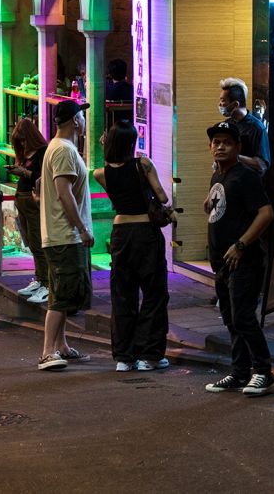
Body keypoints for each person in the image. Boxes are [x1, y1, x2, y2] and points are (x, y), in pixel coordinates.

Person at [202, 121, 274, 395]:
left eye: (227, 142)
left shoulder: (245, 175)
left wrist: (241, 244)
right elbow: (220, 209)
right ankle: (239, 372)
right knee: (231, 318)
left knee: (243, 316)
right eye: (216, 142)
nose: (220, 146)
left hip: (245, 260)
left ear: (238, 147)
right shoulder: (218, 176)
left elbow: (265, 213)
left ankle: (264, 372)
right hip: (221, 262)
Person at [94, 120, 171, 372]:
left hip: (120, 234)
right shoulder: (143, 164)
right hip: (145, 232)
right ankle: (150, 354)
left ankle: (124, 358)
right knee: (153, 293)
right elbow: (162, 196)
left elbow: (117, 187)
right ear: (132, 142)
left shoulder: (101, 173)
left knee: (123, 295)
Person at [36, 100, 94, 371]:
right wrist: (81, 228)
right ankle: (48, 351)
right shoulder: (63, 150)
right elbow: (64, 192)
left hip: (62, 234)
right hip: (65, 235)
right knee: (61, 294)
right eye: (81, 115)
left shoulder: (59, 148)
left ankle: (62, 346)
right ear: (74, 121)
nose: (84, 119)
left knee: (65, 291)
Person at [9, 118, 49, 305]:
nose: (23, 143)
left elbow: (42, 178)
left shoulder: (42, 152)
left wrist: (23, 172)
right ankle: (39, 279)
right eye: (20, 141)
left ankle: (46, 284)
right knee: (32, 244)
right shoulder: (24, 153)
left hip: (33, 201)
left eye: (25, 140)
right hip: (22, 200)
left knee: (38, 243)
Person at [218, 77, 271, 175]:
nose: (220, 104)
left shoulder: (257, 128)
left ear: (235, 104)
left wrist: (235, 157)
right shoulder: (227, 124)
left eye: (223, 101)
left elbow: (262, 165)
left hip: (248, 186)